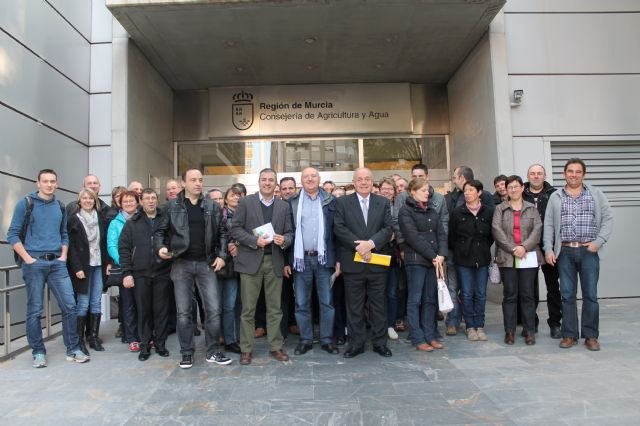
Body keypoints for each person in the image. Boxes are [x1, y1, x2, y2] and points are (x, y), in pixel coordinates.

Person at [7, 169, 89, 367]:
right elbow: (12, 235)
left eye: (52, 181)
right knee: (35, 310)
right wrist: (28, 259)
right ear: (38, 183)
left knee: (70, 306)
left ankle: (73, 349)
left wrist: (63, 256)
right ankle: (38, 352)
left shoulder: (60, 206)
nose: (49, 184)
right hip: (34, 263)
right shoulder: (26, 204)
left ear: (57, 184)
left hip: (57, 264)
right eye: (45, 181)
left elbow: (64, 233)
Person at [156, 169, 231, 368]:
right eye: (193, 180)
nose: (198, 183)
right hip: (181, 263)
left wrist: (222, 256)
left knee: (214, 309)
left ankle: (213, 351)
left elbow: (223, 233)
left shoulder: (212, 207)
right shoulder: (170, 207)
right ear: (183, 183)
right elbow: (160, 233)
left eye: (200, 180)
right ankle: (187, 352)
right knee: (183, 312)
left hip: (207, 264)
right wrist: (161, 248)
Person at [544, 158, 613, 351]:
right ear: (564, 174)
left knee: (590, 295)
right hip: (564, 251)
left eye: (578, 171)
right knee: (567, 295)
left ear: (584, 174)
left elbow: (608, 218)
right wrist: (549, 249)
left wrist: (598, 242)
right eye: (570, 171)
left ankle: (590, 336)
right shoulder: (556, 196)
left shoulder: (595, 194)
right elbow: (548, 224)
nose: (574, 174)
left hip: (588, 251)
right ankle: (569, 335)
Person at [231, 168, 293, 365]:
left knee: (275, 309)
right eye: (264, 179)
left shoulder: (283, 206)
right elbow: (235, 229)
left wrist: (284, 239)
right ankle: (246, 349)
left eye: (271, 180)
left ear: (276, 184)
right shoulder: (246, 202)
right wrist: (253, 241)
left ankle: (275, 346)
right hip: (251, 260)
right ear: (258, 182)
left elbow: (291, 232)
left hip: (274, 261)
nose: (267, 183)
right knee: (248, 309)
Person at [333, 168, 393, 358]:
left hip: (377, 262)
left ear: (372, 181)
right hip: (353, 263)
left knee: (378, 306)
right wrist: (359, 246)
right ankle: (356, 343)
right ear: (354, 181)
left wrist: (371, 244)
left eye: (367, 179)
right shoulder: (342, 203)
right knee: (354, 306)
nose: (364, 182)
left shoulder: (382, 202)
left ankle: (380, 343)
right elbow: (339, 228)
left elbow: (388, 227)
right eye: (360, 179)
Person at [288, 167, 339, 355]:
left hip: (324, 259)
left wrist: (338, 259)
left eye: (313, 176)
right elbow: (290, 233)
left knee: (326, 302)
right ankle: (305, 339)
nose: (310, 179)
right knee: (301, 302)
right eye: (306, 177)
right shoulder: (292, 202)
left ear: (319, 179)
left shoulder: (330, 201)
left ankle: (326, 339)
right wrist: (288, 260)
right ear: (301, 181)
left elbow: (336, 232)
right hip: (302, 259)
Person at [119, 188, 172, 361]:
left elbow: (173, 241)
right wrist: (127, 272)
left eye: (153, 198)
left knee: (161, 311)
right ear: (141, 202)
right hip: (140, 274)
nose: (150, 201)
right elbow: (124, 248)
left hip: (162, 272)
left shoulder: (165, 219)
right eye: (147, 198)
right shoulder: (132, 223)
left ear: (157, 201)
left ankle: (160, 344)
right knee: (143, 312)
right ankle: (144, 346)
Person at [492, 176, 543, 345]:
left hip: (527, 256)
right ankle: (510, 331)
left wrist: (524, 247)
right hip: (507, 257)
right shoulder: (500, 209)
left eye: (516, 186)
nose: (513, 190)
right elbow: (496, 230)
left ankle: (529, 331)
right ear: (506, 190)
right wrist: (513, 248)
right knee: (510, 295)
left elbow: (537, 229)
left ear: (522, 188)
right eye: (510, 187)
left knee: (528, 294)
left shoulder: (531, 209)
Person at [398, 178, 447, 351]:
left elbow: (441, 234)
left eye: (428, 190)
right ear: (413, 191)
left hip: (433, 261)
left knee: (430, 299)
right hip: (417, 261)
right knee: (415, 300)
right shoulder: (405, 211)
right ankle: (418, 338)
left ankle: (430, 334)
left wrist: (441, 255)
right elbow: (412, 237)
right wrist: (433, 255)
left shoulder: (432, 211)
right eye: (423, 190)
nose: (427, 193)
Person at [444, 166, 493, 336]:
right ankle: (470, 326)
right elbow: (452, 236)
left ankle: (480, 325)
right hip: (463, 258)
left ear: (479, 192)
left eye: (471, 190)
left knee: (480, 294)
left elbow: (491, 235)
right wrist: (462, 248)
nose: (467, 193)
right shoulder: (458, 213)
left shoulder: (488, 212)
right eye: (465, 190)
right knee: (466, 294)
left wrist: (482, 247)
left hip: (482, 257)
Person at [66, 188, 109, 355]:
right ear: (79, 201)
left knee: (96, 301)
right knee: (83, 302)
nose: (88, 201)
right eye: (84, 198)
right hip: (83, 266)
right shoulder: (73, 219)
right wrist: (77, 268)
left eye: (91, 198)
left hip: (98, 263)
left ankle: (93, 337)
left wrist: (107, 263)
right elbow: (71, 247)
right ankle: (79, 341)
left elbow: (103, 243)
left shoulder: (101, 218)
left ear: (95, 200)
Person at [524, 164, 562, 338]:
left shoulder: (555, 194)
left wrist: (552, 247)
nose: (536, 176)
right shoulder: (520, 193)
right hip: (528, 248)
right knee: (529, 289)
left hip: (549, 247)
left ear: (545, 175)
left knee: (553, 288)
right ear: (528, 176)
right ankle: (531, 324)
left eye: (539, 173)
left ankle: (555, 323)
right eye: (533, 173)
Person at [107, 190, 141, 352]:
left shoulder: (143, 220)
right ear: (120, 203)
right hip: (125, 268)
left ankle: (143, 334)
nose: (128, 203)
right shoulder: (115, 223)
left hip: (142, 268)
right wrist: (125, 262)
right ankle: (131, 336)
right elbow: (111, 246)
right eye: (125, 201)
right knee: (128, 303)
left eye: (131, 200)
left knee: (142, 303)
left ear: (137, 202)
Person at [218, 185, 244, 354]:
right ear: (226, 198)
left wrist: (239, 245)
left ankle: (235, 338)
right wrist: (226, 248)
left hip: (243, 265)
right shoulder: (218, 216)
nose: (236, 198)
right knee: (221, 305)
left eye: (240, 195)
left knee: (236, 304)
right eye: (233, 195)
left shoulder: (248, 214)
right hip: (222, 264)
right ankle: (223, 338)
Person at [379, 177, 401, 340]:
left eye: (390, 188)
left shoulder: (399, 207)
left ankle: (390, 324)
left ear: (394, 192)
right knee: (377, 292)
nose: (386, 191)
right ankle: (379, 324)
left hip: (394, 255)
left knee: (392, 292)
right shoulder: (374, 205)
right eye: (384, 188)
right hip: (377, 254)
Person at [279, 176, 299, 339]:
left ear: (296, 189)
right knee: (284, 294)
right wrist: (286, 261)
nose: (287, 191)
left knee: (300, 295)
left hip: (302, 257)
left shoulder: (302, 204)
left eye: (290, 188)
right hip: (283, 256)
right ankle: (283, 329)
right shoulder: (277, 207)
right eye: (284, 189)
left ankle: (295, 323)